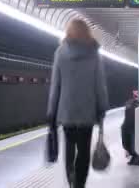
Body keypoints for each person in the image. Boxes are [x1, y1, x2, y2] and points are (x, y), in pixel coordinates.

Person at [47, 19, 109, 188]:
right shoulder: (94, 54)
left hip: (67, 112)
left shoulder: (60, 52)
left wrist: (51, 110)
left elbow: (56, 85)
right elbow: (99, 84)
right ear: (87, 32)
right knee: (83, 151)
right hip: (87, 112)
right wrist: (102, 107)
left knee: (69, 148)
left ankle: (71, 179)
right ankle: (79, 183)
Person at [121, 90, 139, 165]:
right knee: (127, 142)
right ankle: (136, 156)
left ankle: (137, 156)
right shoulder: (129, 103)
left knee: (134, 143)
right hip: (128, 125)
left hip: (136, 126)